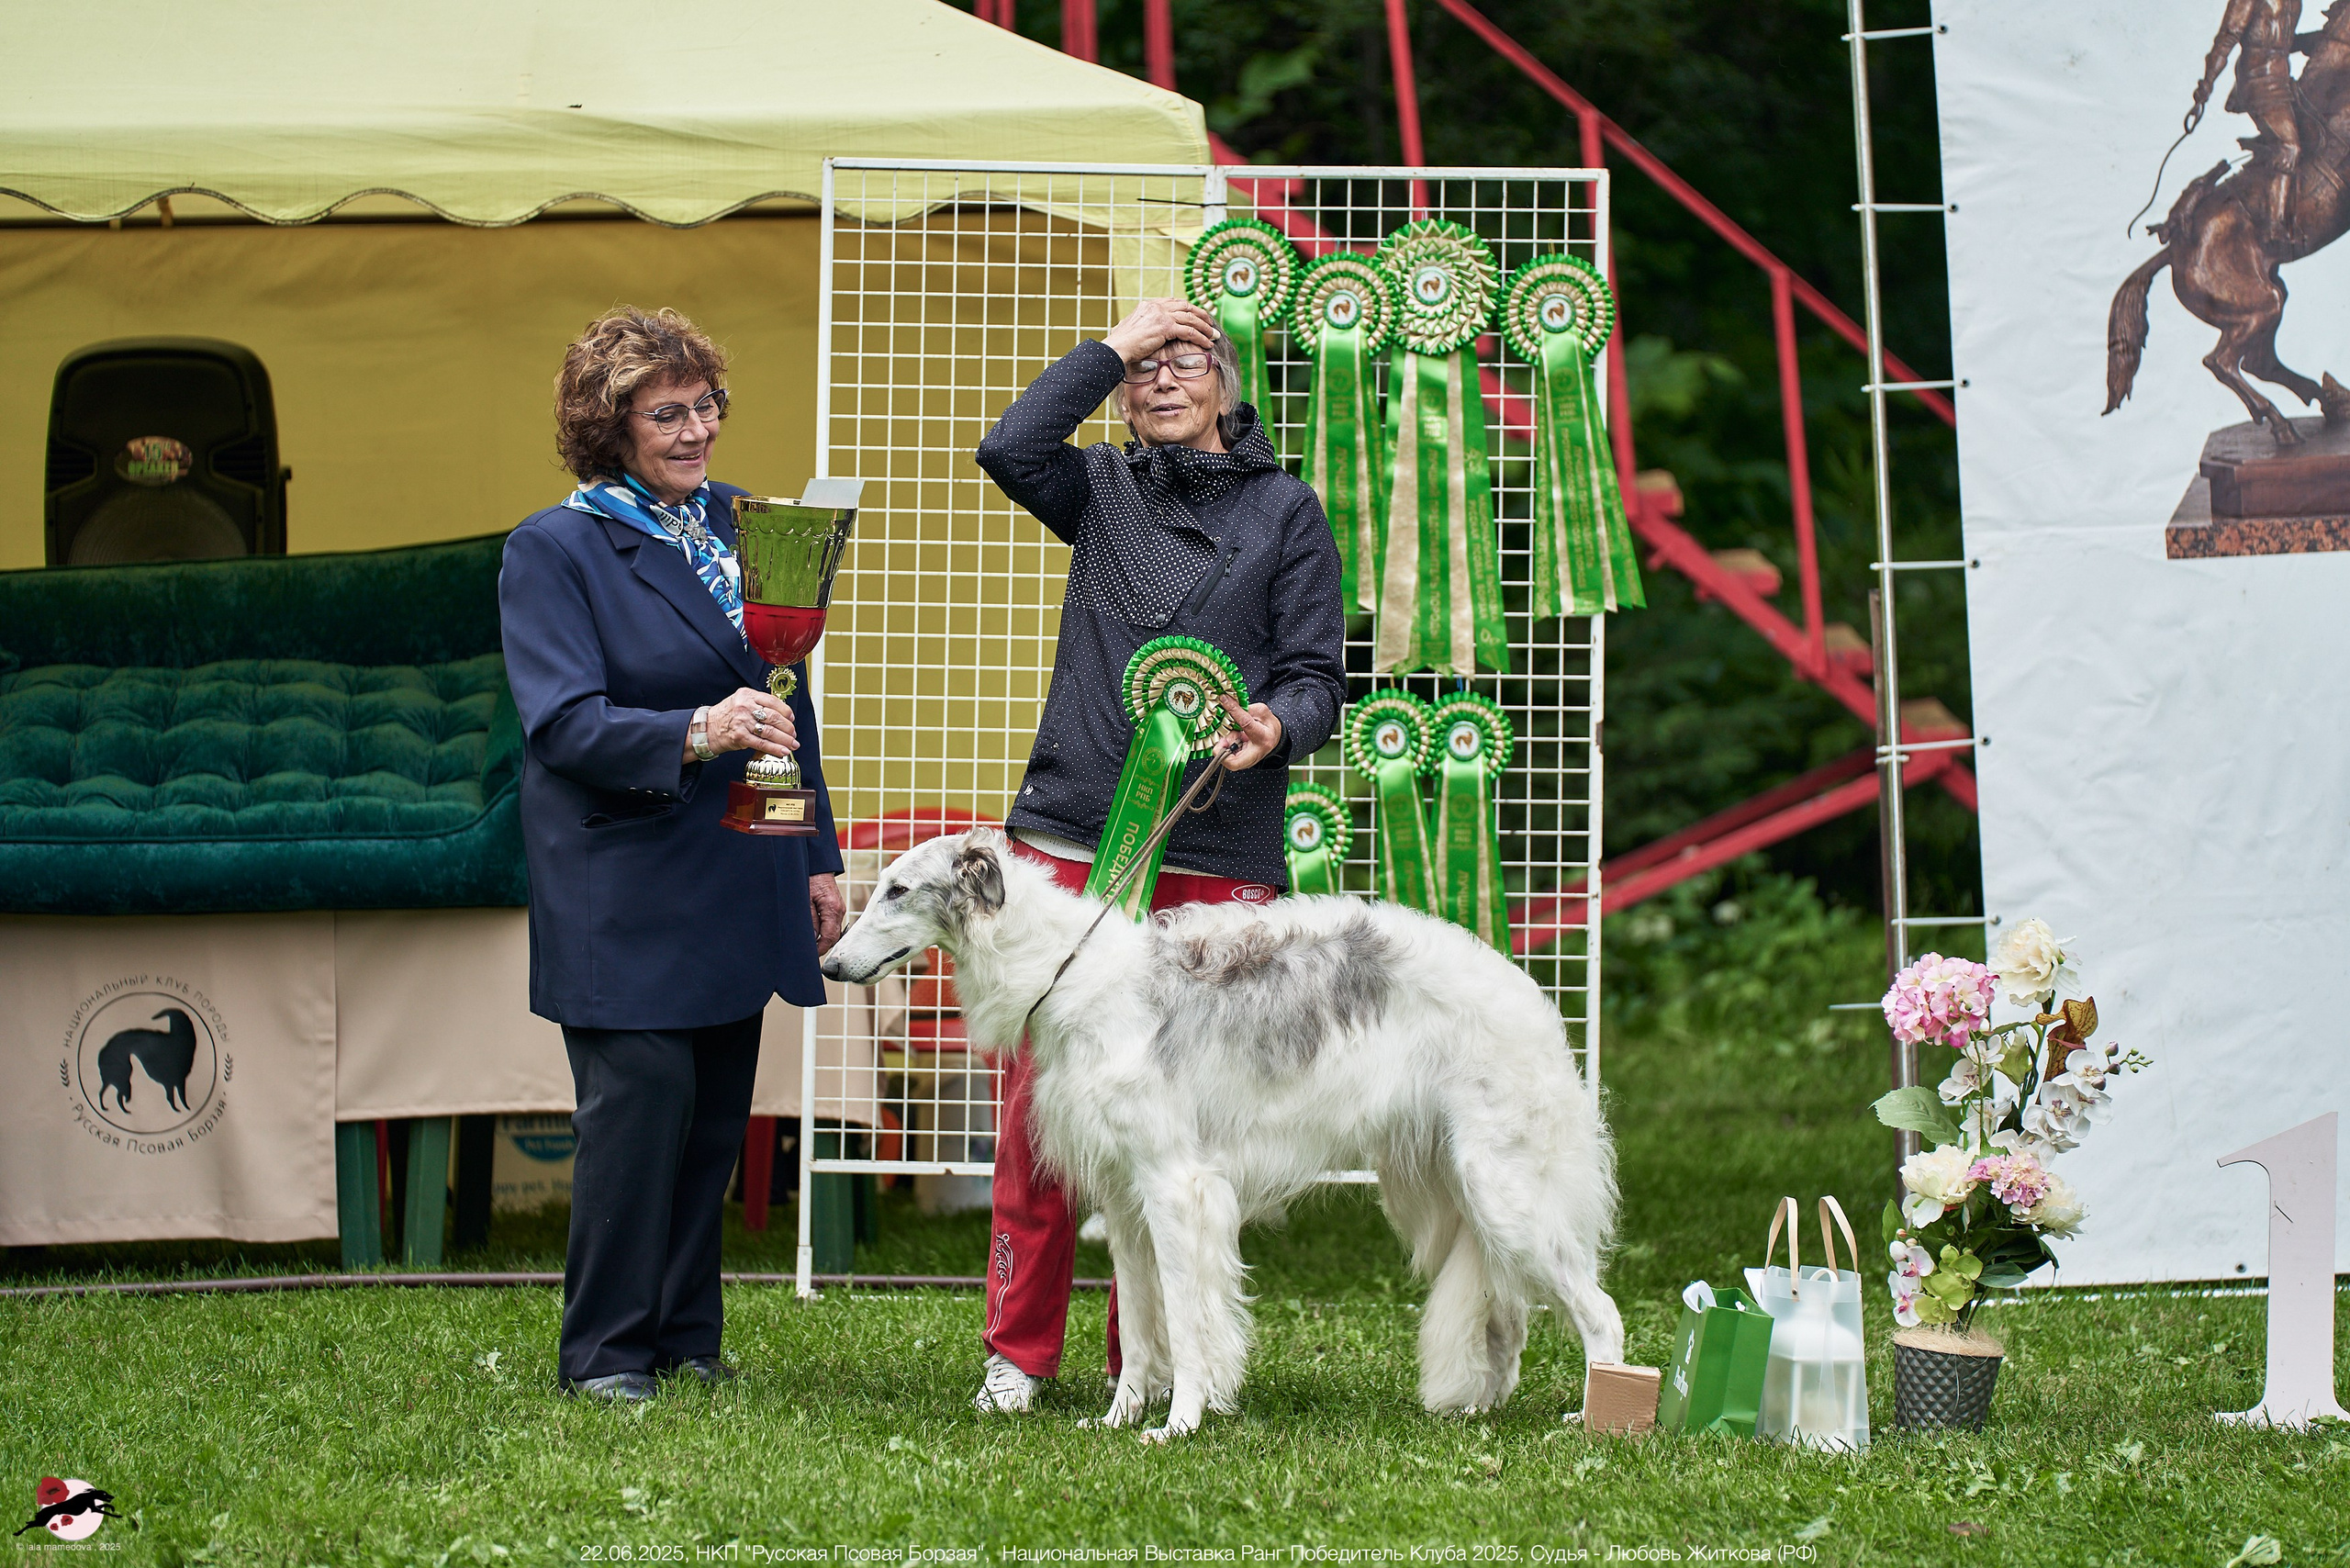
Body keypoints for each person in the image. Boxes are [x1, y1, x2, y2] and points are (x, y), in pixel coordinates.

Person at [968, 298, 1348, 1413]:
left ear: (1229, 383)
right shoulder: (1098, 485)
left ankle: (1157, 1356)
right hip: (1076, 834)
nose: (1159, 381)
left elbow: (1317, 672)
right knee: (1047, 1109)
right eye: (1143, 367)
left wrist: (1278, 723)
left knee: (1187, 1115)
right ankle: (1017, 1354)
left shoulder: (1287, 510)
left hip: (1216, 832)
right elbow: (1008, 443)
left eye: (1184, 359)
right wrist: (1110, 344)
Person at [500, 306, 846, 1403]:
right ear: (611, 428)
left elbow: (788, 702)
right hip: (626, 881)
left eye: (705, 406)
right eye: (666, 413)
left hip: (741, 866)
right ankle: (605, 1354)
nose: (695, 430)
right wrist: (698, 731)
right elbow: (560, 724)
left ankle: (686, 1340)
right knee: (635, 1129)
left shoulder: (747, 520)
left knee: (707, 1127)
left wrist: (817, 856)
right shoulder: (552, 548)